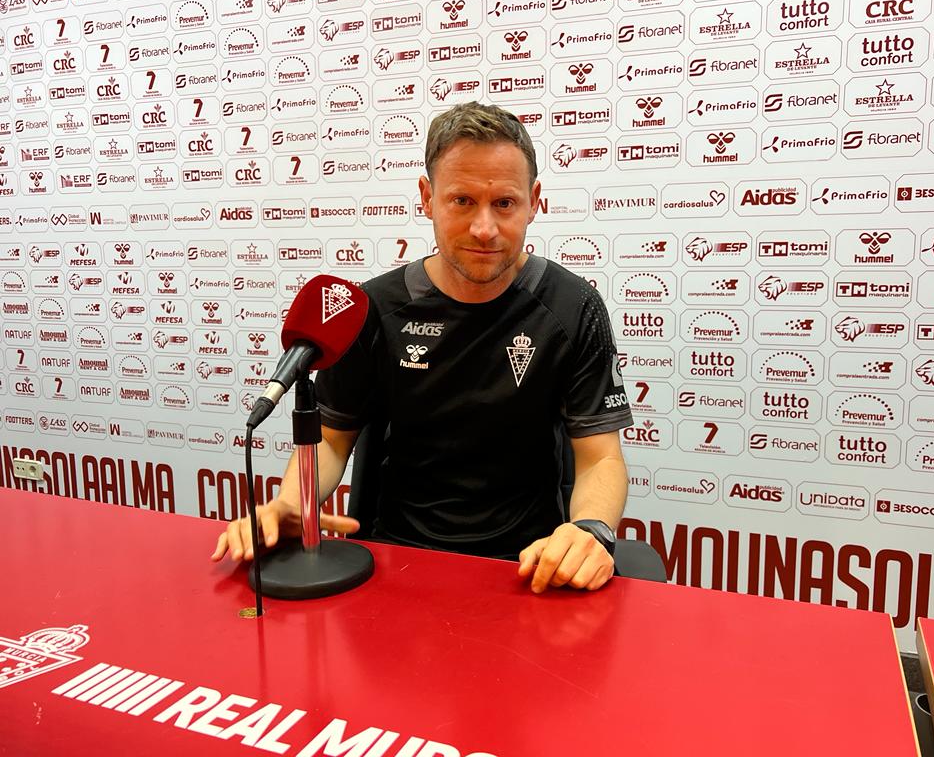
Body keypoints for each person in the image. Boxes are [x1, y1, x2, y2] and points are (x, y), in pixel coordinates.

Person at [212, 102, 633, 593]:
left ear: (534, 201)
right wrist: (291, 505)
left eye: (504, 203)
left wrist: (589, 532)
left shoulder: (573, 306)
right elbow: (330, 440)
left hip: (528, 566)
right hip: (395, 560)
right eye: (461, 201)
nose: (484, 228)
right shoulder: (372, 309)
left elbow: (601, 457)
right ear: (426, 197)